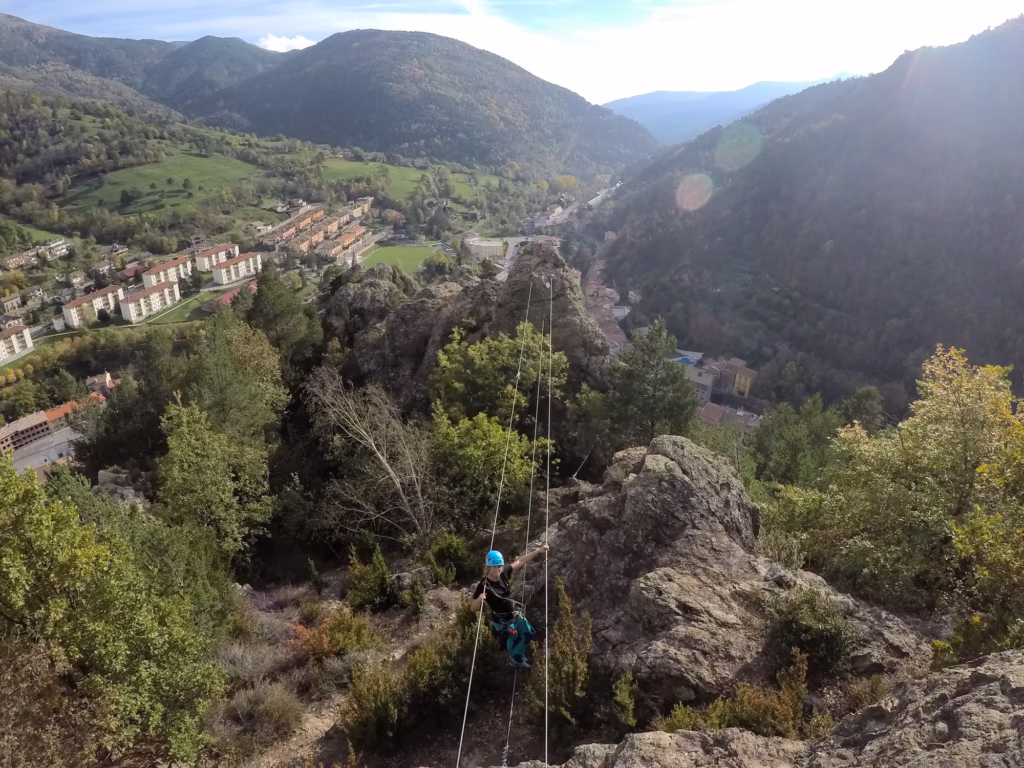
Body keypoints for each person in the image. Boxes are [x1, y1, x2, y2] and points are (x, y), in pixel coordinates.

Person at [470, 544, 549, 668]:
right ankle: (515, 659)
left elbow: (520, 561)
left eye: (499, 566)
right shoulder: (484, 585)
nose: (497, 569)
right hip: (501, 620)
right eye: (494, 566)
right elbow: (472, 607)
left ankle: (517, 657)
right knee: (515, 636)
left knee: (527, 633)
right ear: (489, 567)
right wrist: (480, 598)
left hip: (513, 613)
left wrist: (538, 551)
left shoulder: (503, 573)